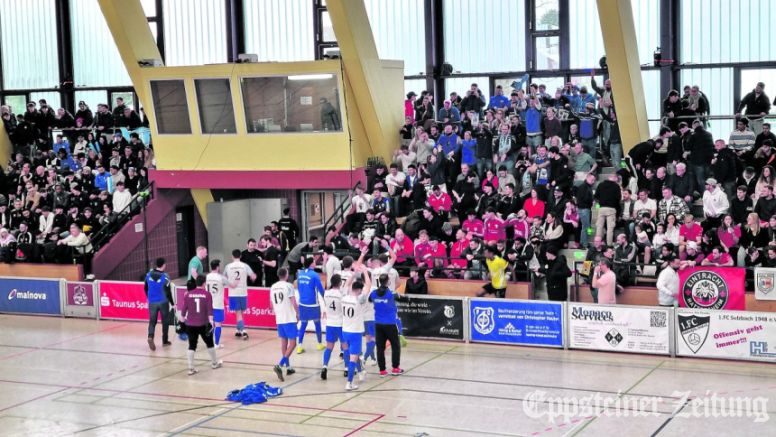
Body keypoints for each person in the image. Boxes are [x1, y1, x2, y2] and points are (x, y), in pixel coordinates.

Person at [180, 276, 223, 375]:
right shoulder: (207, 294)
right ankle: (214, 363)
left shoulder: (188, 294)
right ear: (204, 283)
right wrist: (211, 322)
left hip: (191, 324)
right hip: (204, 324)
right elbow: (210, 310)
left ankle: (191, 368)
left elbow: (183, 311)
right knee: (210, 343)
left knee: (192, 346)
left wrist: (181, 324)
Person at [370, 273, 409, 377]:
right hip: (390, 324)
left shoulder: (373, 293)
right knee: (395, 346)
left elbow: (369, 299)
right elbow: (406, 299)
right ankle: (395, 368)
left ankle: (382, 371)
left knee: (380, 347)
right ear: (388, 281)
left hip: (378, 324)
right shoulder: (391, 294)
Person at [342, 264, 371, 391]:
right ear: (359, 290)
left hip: (345, 331)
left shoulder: (344, 297)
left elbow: (347, 284)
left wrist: (353, 273)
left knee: (353, 354)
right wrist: (364, 271)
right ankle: (349, 383)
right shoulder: (360, 300)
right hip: (355, 332)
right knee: (353, 357)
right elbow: (368, 286)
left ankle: (360, 372)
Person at [270, 268, 299, 381]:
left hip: (279, 318)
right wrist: (298, 313)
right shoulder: (288, 286)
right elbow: (293, 301)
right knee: (293, 343)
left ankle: (288, 367)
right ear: (286, 275)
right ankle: (280, 365)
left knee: (284, 343)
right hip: (289, 317)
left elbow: (271, 304)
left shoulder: (273, 287)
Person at [224, 249, 257, 340]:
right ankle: (240, 330)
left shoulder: (228, 266)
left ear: (232, 256)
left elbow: (224, 278)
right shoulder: (245, 266)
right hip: (243, 292)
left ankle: (242, 330)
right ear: (240, 256)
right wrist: (252, 278)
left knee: (238, 313)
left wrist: (230, 283)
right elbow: (253, 276)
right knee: (240, 313)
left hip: (232, 293)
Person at [296, 256, 326, 354]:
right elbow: (321, 289)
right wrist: (326, 299)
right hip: (313, 304)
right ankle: (319, 344)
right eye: (314, 261)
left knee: (303, 324)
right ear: (311, 264)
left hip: (302, 303)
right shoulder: (315, 275)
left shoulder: (300, 274)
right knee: (317, 323)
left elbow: (299, 287)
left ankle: (299, 346)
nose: (315, 262)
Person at [144, 257, 173, 351]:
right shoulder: (165, 277)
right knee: (165, 321)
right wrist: (172, 303)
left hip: (152, 302)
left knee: (152, 321)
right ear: (163, 265)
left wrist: (149, 297)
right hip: (163, 302)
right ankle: (165, 341)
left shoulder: (148, 275)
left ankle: (150, 336)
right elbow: (168, 292)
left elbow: (145, 288)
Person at [321, 274, 345, 380]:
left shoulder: (326, 293)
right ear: (340, 283)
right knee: (345, 347)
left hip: (330, 323)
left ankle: (324, 367)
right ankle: (347, 369)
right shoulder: (341, 295)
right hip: (340, 323)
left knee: (329, 348)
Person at [205, 259, 230, 349]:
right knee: (218, 324)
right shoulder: (221, 278)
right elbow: (230, 284)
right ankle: (216, 344)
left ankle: (210, 343)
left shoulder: (207, 277)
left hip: (208, 304)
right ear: (218, 267)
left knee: (210, 324)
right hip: (218, 304)